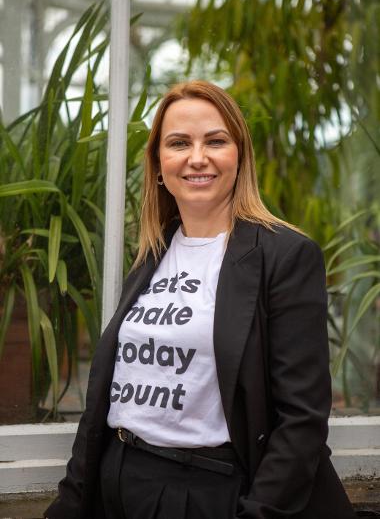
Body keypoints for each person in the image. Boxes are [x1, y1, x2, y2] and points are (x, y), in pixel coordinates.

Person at [44, 80, 356, 519]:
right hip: (118, 481)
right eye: (178, 143)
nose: (197, 157)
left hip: (205, 492)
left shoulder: (285, 256)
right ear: (158, 164)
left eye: (215, 140)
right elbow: (109, 396)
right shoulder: (153, 254)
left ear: (239, 156)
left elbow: (302, 421)